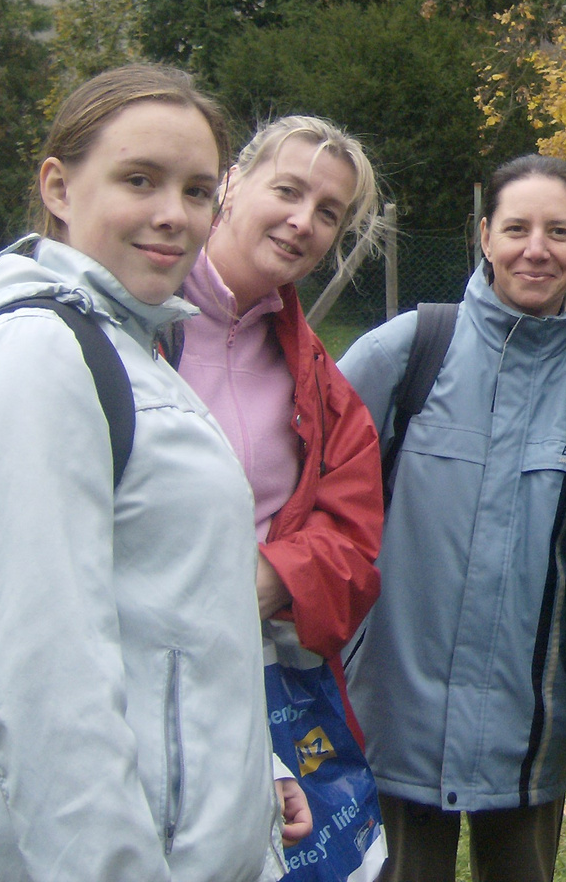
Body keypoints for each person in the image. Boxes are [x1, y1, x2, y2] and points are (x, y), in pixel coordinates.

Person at [0, 64, 305, 882]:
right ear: (59, 187)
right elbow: (36, 683)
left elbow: (173, 621)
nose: (173, 215)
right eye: (139, 180)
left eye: (198, 190)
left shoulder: (128, 350)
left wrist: (257, 775)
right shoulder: (35, 358)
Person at [337, 154, 566, 882]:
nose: (538, 248)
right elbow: (313, 504)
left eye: (560, 231)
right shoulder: (406, 352)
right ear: (484, 236)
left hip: (530, 730)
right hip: (391, 723)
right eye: (518, 228)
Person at [175, 116, 385, 713]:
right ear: (231, 183)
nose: (303, 221)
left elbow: (353, 533)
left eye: (328, 212)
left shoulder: (319, 380)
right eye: (288, 190)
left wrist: (273, 579)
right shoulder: (130, 329)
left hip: (248, 683)